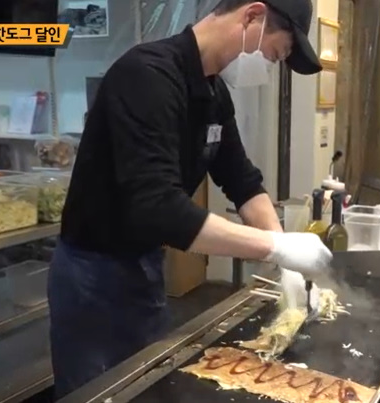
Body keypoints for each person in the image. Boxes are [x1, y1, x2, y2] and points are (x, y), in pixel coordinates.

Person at [48, 0, 331, 398]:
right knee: (95, 392)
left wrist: (283, 252)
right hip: (91, 272)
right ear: (252, 16)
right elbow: (159, 208)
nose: (268, 67)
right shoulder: (146, 76)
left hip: (143, 263)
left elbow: (242, 181)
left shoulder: (213, 93)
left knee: (146, 385)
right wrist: (275, 247)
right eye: (274, 55)